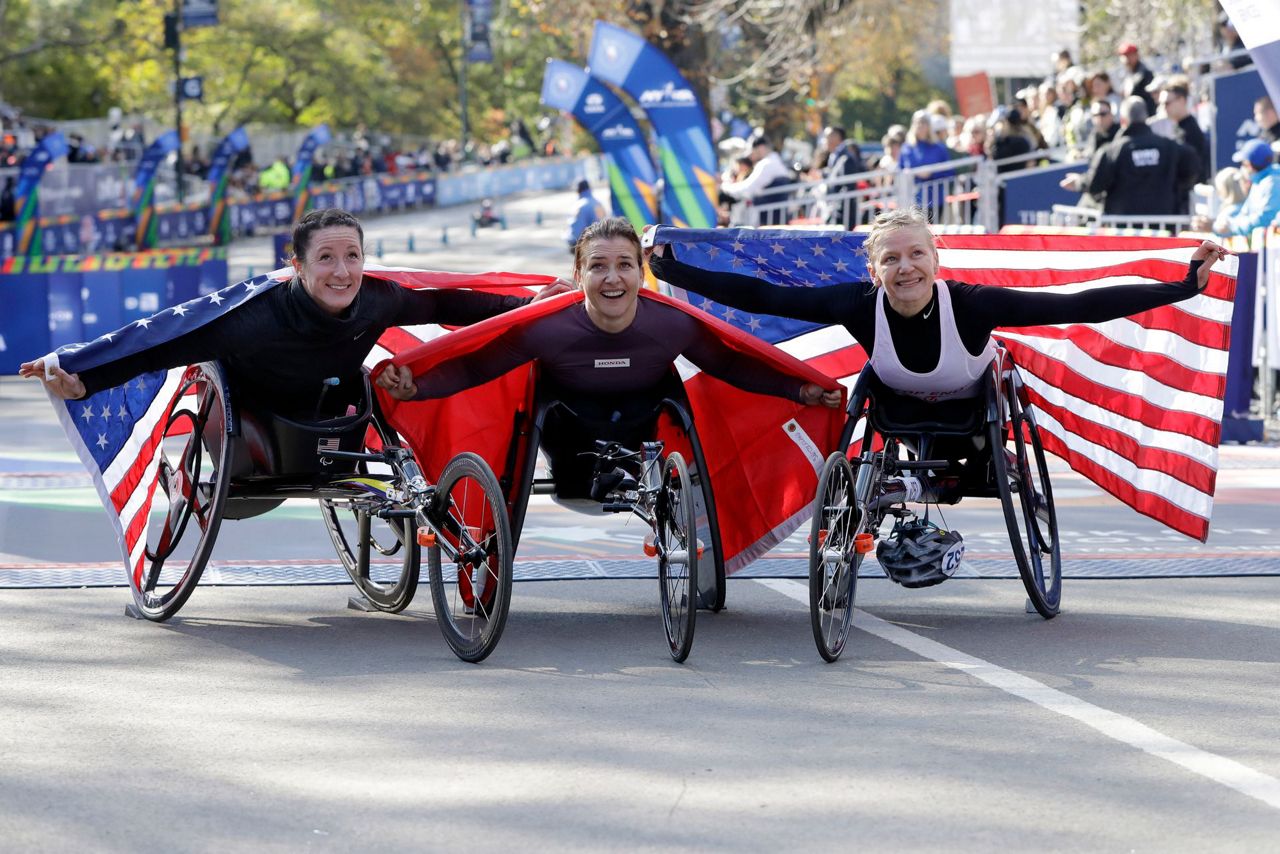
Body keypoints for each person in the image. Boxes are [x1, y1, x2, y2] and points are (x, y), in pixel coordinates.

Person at [648, 206, 1230, 470]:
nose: (906, 269)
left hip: (971, 409)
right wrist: (672, 272)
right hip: (895, 402)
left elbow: (1077, 303)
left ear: (935, 259)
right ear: (873, 270)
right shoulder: (856, 303)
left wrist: (1181, 286)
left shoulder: (973, 305)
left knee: (974, 452)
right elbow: (763, 297)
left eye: (917, 255)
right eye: (892, 259)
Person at [380, 217, 840, 499]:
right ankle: (595, 475)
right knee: (578, 485)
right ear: (578, 275)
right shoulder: (546, 327)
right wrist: (417, 386)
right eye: (598, 266)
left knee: (652, 453)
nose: (612, 278)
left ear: (641, 274)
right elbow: (476, 366)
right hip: (567, 430)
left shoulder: (672, 324)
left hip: (646, 426)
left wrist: (797, 388)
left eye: (624, 265)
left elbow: (731, 363)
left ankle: (635, 476)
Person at [20, 208, 570, 418]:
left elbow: (451, 301)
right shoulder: (254, 315)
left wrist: (526, 307)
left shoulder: (379, 296)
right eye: (325, 258)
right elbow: (164, 337)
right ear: (297, 267)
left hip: (334, 400)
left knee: (395, 385)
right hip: (255, 409)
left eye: (352, 256)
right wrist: (84, 373)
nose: (341, 272)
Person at [1060, 96, 1197, 217]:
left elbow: (1095, 183)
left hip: (1126, 231)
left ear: (1123, 121)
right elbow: (1193, 167)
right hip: (1163, 227)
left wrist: (1078, 182)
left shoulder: (1112, 151)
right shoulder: (1170, 147)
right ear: (1145, 118)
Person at [1197, 140, 1280, 238]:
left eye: (1244, 163)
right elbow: (1245, 214)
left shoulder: (1272, 182)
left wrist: (1228, 227)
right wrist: (1221, 226)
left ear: (1250, 164)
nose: (1242, 167)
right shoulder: (1260, 182)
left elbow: (1264, 219)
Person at [820, 126, 864, 228]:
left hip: (842, 215)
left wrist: (837, 210)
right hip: (835, 212)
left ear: (836, 137)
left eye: (827, 136)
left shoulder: (846, 157)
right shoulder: (836, 156)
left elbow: (848, 187)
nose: (824, 140)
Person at [566, 179, 606, 252]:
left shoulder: (580, 206)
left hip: (586, 247)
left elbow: (576, 231)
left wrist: (572, 243)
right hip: (602, 244)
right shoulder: (598, 203)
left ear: (578, 190)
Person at [1118, 42, 1157, 115]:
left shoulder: (1145, 74)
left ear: (1137, 55)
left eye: (1130, 55)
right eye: (1124, 56)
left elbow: (1150, 100)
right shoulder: (1126, 74)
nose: (1127, 59)